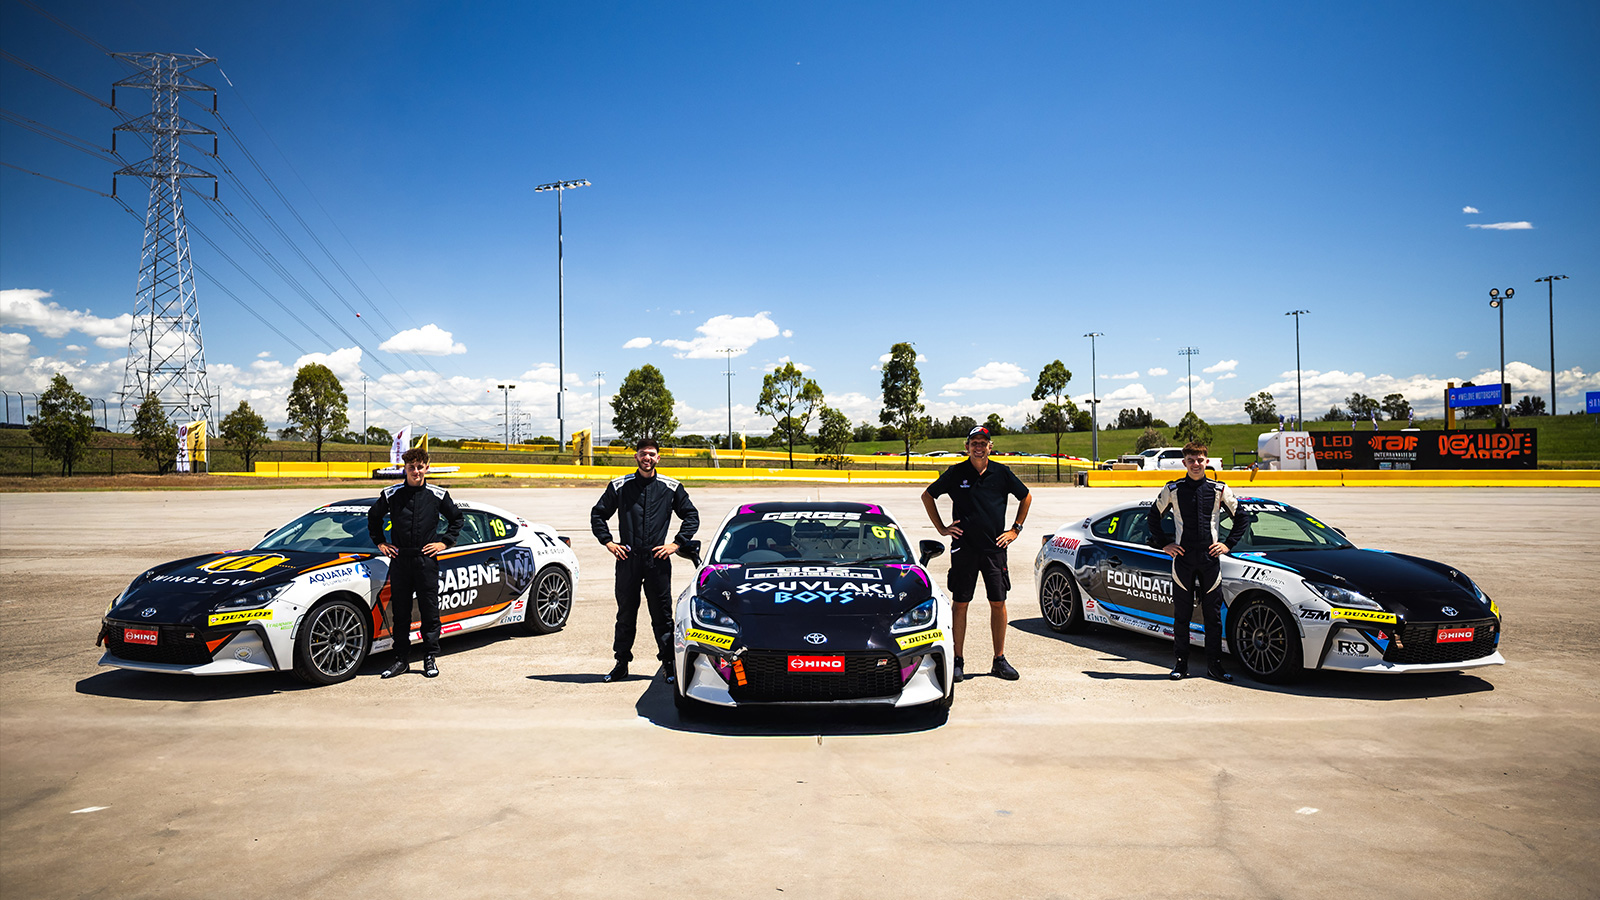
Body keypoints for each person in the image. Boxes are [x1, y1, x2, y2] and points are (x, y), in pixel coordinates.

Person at [921, 425, 1033, 683]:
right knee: (961, 603)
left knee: (998, 602)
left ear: (990, 446)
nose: (979, 446)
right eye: (974, 442)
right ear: (966, 446)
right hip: (964, 549)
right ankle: (958, 660)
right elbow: (928, 496)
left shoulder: (1001, 473)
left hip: (995, 549)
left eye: (983, 442)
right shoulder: (956, 473)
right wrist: (941, 528)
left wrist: (1015, 530)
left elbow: (1025, 496)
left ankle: (999, 660)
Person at [590, 438, 700, 683]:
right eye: (643, 454)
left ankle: (669, 665)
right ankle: (621, 663)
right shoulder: (620, 485)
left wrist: (676, 544)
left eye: (651, 454)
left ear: (658, 458)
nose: (647, 458)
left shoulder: (671, 487)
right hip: (628, 559)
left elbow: (691, 515)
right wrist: (608, 542)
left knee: (662, 616)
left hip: (657, 560)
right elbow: (598, 514)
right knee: (625, 614)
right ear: (636, 457)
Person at [1148, 441, 1249, 683]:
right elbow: (1153, 516)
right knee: (1181, 616)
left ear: (1207, 461)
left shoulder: (1219, 489)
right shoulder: (1172, 489)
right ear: (1184, 462)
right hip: (1182, 560)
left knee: (1212, 618)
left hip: (1209, 560)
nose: (1196, 464)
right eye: (1191, 460)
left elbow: (1242, 518)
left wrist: (1227, 544)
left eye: (1200, 460)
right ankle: (1180, 665)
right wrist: (1164, 544)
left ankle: (1214, 666)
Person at [368, 446, 463, 679]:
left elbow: (457, 519)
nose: (416, 471)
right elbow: (373, 516)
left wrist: (444, 543)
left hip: (426, 560)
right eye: (412, 467)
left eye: (420, 467)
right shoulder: (391, 494)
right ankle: (401, 660)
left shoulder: (438, 495)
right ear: (405, 468)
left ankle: (430, 657)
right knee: (400, 613)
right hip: (400, 560)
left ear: (427, 468)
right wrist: (380, 542)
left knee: (430, 611)